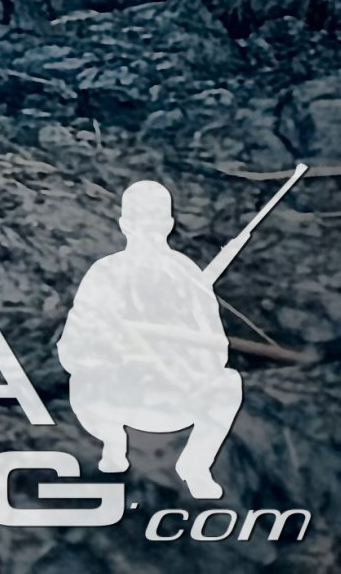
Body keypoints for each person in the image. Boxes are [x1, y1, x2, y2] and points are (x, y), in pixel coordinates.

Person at [60, 178, 249, 498]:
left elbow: (217, 348)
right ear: (125, 225)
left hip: (174, 397)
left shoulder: (187, 274)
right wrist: (111, 352)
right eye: (140, 222)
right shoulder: (104, 273)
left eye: (154, 221)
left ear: (168, 224)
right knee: (82, 381)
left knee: (228, 383)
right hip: (119, 395)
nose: (147, 230)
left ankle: (196, 465)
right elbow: (72, 348)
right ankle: (113, 443)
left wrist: (183, 356)